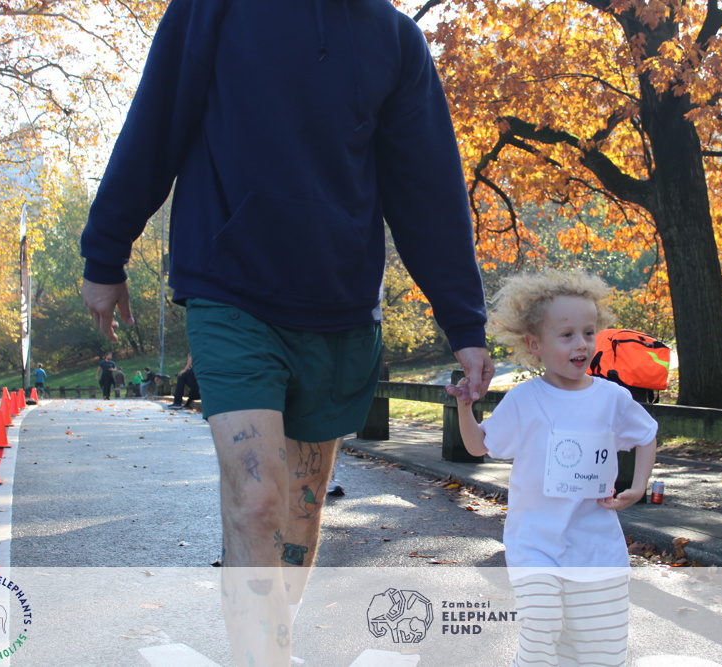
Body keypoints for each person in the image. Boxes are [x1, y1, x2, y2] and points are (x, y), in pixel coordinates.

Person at [78, 1, 493, 663]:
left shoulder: (395, 40)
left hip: (339, 310)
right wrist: (106, 252)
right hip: (231, 290)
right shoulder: (214, 8)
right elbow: (155, 121)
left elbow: (427, 189)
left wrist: (464, 322)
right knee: (258, 499)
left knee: (299, 518)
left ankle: (272, 642)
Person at [447, 270, 657, 666]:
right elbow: (478, 446)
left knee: (603, 650)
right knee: (540, 629)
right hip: (536, 544)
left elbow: (646, 435)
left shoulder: (612, 398)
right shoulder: (524, 400)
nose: (581, 344)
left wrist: (639, 486)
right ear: (534, 344)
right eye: (567, 335)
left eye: (589, 333)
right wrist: (465, 407)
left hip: (597, 546)